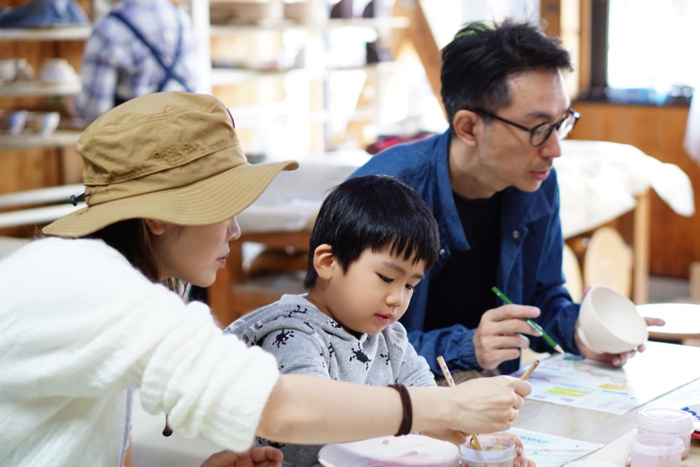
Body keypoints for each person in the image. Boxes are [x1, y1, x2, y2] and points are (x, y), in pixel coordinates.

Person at [0, 92, 532, 466]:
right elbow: (280, 405)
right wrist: (449, 404)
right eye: (224, 206)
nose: (235, 230)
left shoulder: (100, 277)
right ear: (158, 215)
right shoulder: (90, 286)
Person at [350, 19, 664, 380]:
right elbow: (351, 344)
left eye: (562, 122)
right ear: (468, 127)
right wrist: (467, 346)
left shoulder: (537, 182)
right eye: (538, 128)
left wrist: (583, 331)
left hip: (492, 398)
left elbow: (542, 298)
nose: (556, 148)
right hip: (396, 407)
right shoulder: (385, 191)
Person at [229, 175, 533, 466]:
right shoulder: (292, 333)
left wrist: (474, 437)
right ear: (328, 262)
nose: (397, 299)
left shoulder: (391, 337)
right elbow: (315, 415)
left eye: (410, 285)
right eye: (387, 277)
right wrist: (444, 409)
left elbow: (430, 405)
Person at [72, 0, 198, 123]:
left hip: (139, 139)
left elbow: (94, 112)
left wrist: (69, 103)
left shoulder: (107, 29)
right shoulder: (181, 18)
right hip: (184, 133)